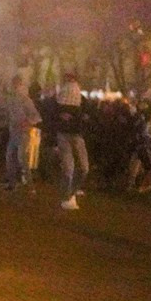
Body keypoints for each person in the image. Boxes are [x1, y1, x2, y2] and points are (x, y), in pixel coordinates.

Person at [54, 74, 89, 210]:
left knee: (84, 168)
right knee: (69, 169)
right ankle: (66, 197)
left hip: (77, 135)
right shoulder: (57, 101)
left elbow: (90, 115)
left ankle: (71, 193)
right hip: (64, 135)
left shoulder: (82, 101)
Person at [3, 75, 42, 190]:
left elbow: (36, 117)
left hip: (23, 133)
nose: (15, 86)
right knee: (10, 157)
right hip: (14, 131)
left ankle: (29, 185)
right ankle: (13, 184)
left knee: (21, 159)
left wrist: (28, 122)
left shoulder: (25, 100)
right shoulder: (11, 99)